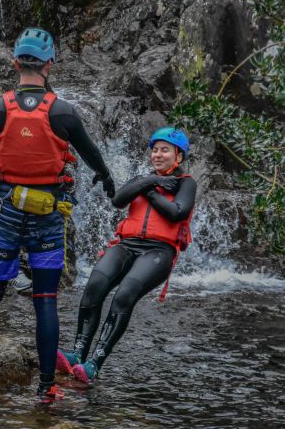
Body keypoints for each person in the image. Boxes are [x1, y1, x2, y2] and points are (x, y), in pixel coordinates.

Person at [0, 27, 115, 405]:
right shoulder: (63, 111)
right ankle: (46, 387)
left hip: (5, 208)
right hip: (47, 213)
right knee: (45, 297)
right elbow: (92, 156)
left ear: (15, 63)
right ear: (49, 64)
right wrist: (107, 179)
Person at [56, 127, 197, 383]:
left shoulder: (186, 183)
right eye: (155, 150)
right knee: (95, 285)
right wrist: (149, 182)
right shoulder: (143, 179)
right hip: (127, 244)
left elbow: (177, 212)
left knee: (123, 296)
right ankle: (77, 353)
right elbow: (118, 200)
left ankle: (94, 363)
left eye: (164, 150)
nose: (157, 155)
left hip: (159, 251)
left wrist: (150, 191)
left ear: (178, 157)